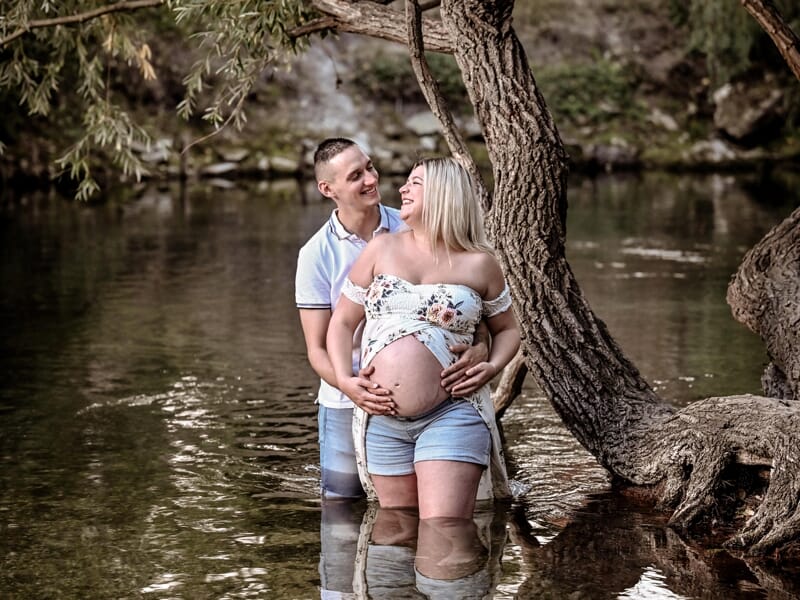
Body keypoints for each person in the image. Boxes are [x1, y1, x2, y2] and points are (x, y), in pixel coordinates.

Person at [295, 139, 491, 500]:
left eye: (369, 167)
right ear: (328, 189)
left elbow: (465, 305)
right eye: (356, 175)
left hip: (439, 402)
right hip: (346, 399)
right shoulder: (315, 255)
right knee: (343, 507)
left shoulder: (412, 224)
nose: (372, 179)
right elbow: (317, 346)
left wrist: (481, 348)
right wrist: (348, 384)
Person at [326, 156, 519, 519]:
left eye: (415, 183)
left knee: (444, 537)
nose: (402, 188)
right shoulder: (381, 249)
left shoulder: (480, 263)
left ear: (445, 194)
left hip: (453, 412)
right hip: (381, 419)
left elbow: (508, 329)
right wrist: (345, 380)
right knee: (395, 535)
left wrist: (492, 365)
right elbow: (340, 324)